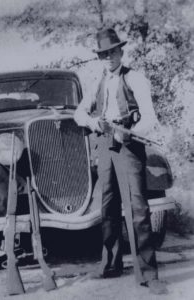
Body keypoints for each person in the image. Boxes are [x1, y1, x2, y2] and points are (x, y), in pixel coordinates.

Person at [74, 27, 167, 295]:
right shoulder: (97, 82)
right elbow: (79, 113)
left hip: (129, 145)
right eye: (103, 54)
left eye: (112, 52)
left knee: (138, 209)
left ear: (121, 52)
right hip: (105, 145)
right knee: (108, 206)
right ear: (99, 57)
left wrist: (130, 133)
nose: (108, 57)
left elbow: (149, 118)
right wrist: (93, 122)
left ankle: (148, 274)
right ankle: (111, 265)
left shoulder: (136, 78)